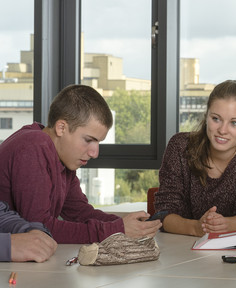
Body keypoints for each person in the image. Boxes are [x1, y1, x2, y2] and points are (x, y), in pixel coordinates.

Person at [0, 84, 162, 244]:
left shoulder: (60, 156)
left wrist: (128, 224)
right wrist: (116, 229)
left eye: (98, 142)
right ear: (61, 128)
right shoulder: (33, 145)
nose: (95, 153)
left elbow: (80, 212)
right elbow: (39, 228)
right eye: (88, 140)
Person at [154, 80, 236, 236]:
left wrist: (224, 225)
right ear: (206, 116)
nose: (222, 130)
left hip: (234, 248)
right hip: (180, 247)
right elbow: (164, 214)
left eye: (234, 123)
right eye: (216, 119)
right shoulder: (180, 146)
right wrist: (197, 227)